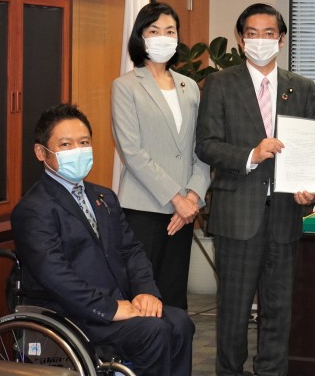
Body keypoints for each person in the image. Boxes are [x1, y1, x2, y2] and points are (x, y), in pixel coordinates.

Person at [11, 103, 195, 376]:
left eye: (84, 142)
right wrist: (108, 309)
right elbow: (54, 274)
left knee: (179, 321)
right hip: (71, 313)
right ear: (41, 152)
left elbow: (131, 250)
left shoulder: (103, 196)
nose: (78, 150)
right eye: (66, 144)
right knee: (153, 330)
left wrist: (146, 291)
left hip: (118, 302)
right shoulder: (34, 209)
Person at [195, 3, 315, 376]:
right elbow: (206, 145)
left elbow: (310, 148)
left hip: (285, 214)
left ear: (281, 40)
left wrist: (309, 190)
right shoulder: (220, 83)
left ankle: (271, 371)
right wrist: (251, 154)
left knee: (278, 308)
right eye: (252, 33)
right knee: (233, 311)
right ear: (240, 39)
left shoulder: (302, 87)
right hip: (237, 216)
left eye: (268, 33)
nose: (260, 40)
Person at [112, 2, 210, 310]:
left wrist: (192, 198)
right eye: (154, 31)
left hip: (184, 212)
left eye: (170, 31)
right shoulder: (125, 86)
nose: (163, 37)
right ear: (140, 37)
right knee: (142, 297)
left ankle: (174, 344)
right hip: (143, 208)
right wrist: (176, 198)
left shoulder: (189, 86)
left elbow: (201, 148)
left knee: (174, 296)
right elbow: (132, 152)